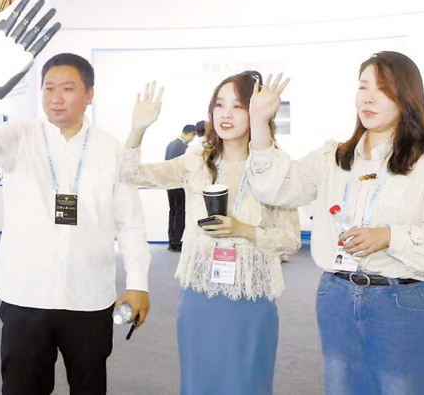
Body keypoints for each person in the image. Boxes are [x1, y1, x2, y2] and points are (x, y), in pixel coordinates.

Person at [246, 51, 424, 394]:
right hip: (336, 295)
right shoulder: (333, 157)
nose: (368, 97)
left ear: (407, 96)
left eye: (383, 89)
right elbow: (275, 188)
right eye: (363, 86)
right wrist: (260, 124)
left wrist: (389, 236)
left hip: (401, 303)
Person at [0, 53, 151, 394]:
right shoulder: (19, 136)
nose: (56, 97)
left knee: (89, 387)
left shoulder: (112, 149)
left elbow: (131, 222)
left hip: (89, 298)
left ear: (89, 94)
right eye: (49, 88)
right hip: (25, 296)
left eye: (67, 88)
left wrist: (138, 282)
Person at [122, 73, 301, 395]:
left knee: (246, 383)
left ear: (257, 112)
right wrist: (138, 128)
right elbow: (131, 173)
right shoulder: (196, 161)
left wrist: (245, 231)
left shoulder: (275, 168)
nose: (226, 114)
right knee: (199, 381)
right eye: (219, 105)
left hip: (250, 298)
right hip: (199, 296)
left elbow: (289, 240)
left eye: (237, 105)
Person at [164, 124, 197, 251]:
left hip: (169, 184)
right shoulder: (184, 148)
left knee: (172, 212)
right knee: (179, 213)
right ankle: (176, 242)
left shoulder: (171, 144)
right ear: (190, 133)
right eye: (193, 136)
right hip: (178, 185)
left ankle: (172, 241)